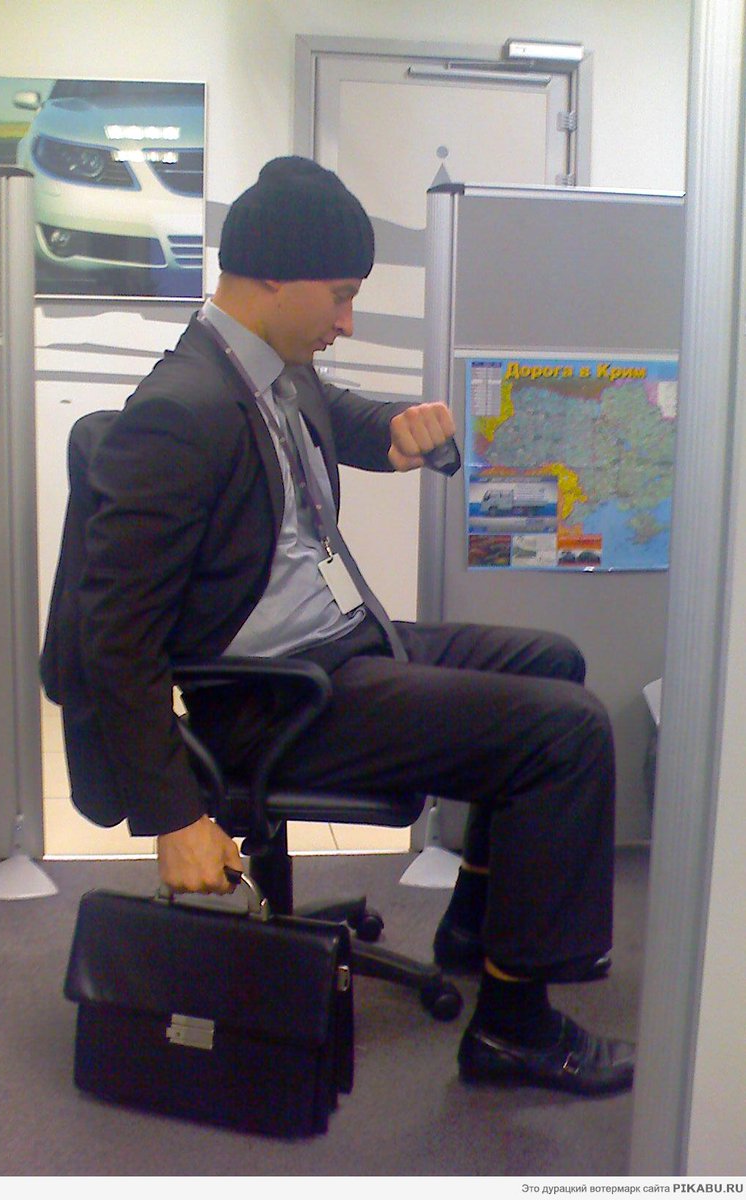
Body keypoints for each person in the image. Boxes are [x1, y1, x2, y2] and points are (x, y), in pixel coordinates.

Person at [53, 156, 634, 1097]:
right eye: (342, 295)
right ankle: (514, 1029)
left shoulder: (268, 370)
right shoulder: (180, 412)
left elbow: (337, 415)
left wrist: (402, 426)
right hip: (274, 699)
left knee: (552, 662)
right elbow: (113, 638)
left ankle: (480, 928)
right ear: (273, 276)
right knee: (565, 734)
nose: (349, 320)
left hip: (337, 644)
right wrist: (175, 816)